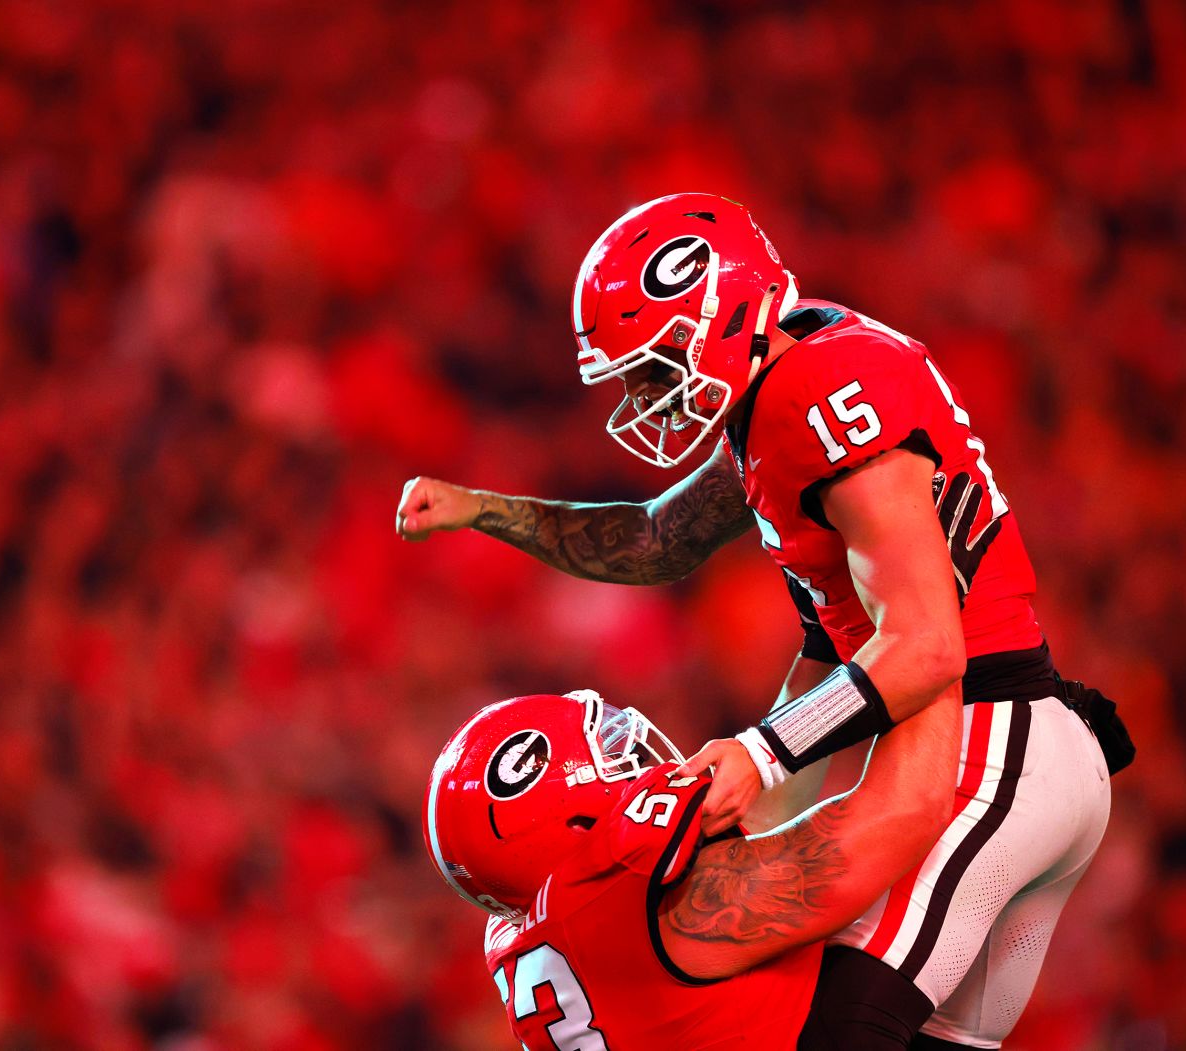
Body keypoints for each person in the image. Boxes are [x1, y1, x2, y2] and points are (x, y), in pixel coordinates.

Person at [398, 193, 1128, 1048]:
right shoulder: (788, 383)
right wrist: (486, 509)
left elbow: (927, 647)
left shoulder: (815, 389)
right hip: (1009, 742)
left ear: (717, 309)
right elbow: (654, 540)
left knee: (840, 1032)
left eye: (651, 364)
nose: (643, 394)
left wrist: (763, 750)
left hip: (990, 740)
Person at [424, 688, 960, 1050]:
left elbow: (768, 820)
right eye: (610, 756)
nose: (634, 763)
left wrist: (827, 637)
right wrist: (932, 631)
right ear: (570, 821)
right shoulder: (641, 904)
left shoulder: (530, 922)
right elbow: (909, 808)